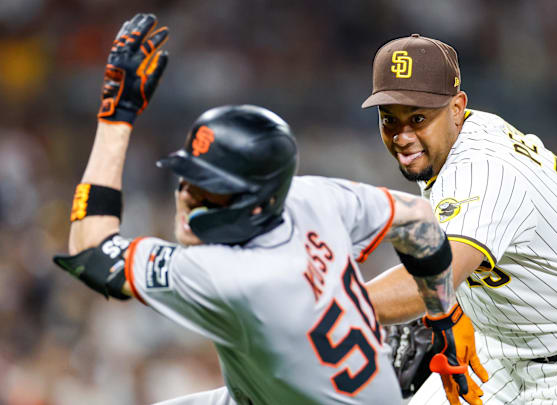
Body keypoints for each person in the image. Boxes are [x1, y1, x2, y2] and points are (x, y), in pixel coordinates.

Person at [53, 15, 473, 405]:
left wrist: (115, 116)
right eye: (185, 180)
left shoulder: (232, 277)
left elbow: (90, 250)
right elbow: (418, 217)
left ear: (255, 202)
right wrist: (440, 316)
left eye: (208, 190)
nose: (185, 197)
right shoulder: (311, 197)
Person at [362, 34, 557, 405]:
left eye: (417, 118)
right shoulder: (449, 144)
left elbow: (434, 277)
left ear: (457, 107)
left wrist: (331, 305)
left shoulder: (482, 169)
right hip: (505, 351)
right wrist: (457, 312)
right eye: (390, 120)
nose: (402, 136)